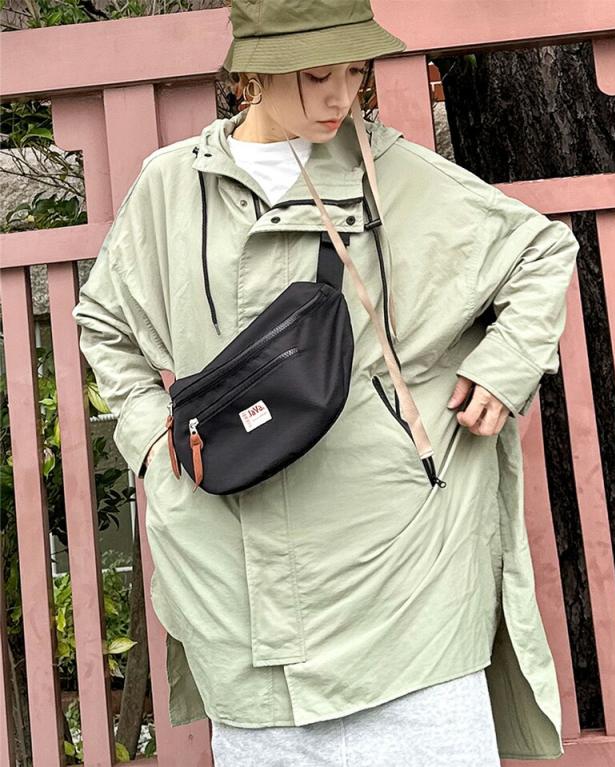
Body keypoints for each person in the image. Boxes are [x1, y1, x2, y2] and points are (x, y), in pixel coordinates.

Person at [71, 1, 580, 764]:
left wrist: (503, 368)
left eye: (354, 72)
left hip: (402, 572)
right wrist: (152, 447)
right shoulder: (172, 186)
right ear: (254, 73)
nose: (341, 96)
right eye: (317, 75)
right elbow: (105, 322)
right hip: (233, 575)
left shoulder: (396, 174)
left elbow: (539, 253)